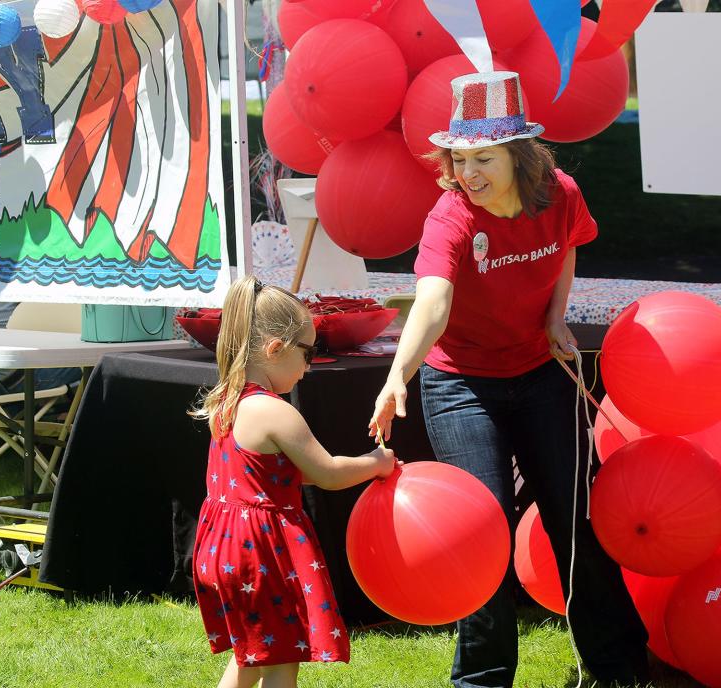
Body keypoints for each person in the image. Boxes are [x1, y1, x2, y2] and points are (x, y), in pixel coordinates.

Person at [368, 71, 649, 688]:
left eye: (484, 158)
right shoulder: (450, 218)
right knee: (482, 531)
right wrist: (397, 376)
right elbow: (433, 303)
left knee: (577, 519)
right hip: (462, 385)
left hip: (541, 373)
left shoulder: (562, 194)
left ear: (519, 155)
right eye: (459, 158)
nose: (468, 172)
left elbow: (568, 246)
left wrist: (555, 317)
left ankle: (620, 666)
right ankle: (482, 680)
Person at [190, 276, 399, 688]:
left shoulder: (226, 401)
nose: (309, 365)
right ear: (274, 349)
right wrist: (376, 463)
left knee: (251, 652)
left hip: (222, 549)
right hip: (259, 555)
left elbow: (269, 475)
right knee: (283, 657)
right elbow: (327, 473)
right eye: (309, 352)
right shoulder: (275, 412)